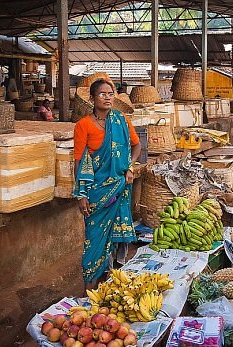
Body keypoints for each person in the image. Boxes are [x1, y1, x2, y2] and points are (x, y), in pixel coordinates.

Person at [73, 78, 141, 288]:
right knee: (94, 239)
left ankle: (110, 286)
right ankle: (89, 290)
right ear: (92, 98)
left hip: (119, 188)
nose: (107, 97)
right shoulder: (83, 125)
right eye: (102, 94)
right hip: (96, 192)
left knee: (116, 240)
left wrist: (130, 167)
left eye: (111, 94)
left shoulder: (121, 120)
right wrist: (81, 194)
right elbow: (79, 161)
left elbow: (137, 146)